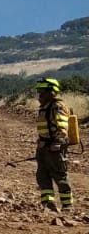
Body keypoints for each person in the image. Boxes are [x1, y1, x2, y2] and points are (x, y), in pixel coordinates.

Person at [35, 78, 73, 213]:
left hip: (55, 147)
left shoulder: (57, 107)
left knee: (60, 176)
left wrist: (57, 143)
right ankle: (48, 204)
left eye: (42, 92)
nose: (39, 96)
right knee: (43, 176)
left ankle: (67, 206)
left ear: (51, 92)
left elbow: (62, 128)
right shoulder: (45, 106)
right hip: (44, 147)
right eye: (38, 92)